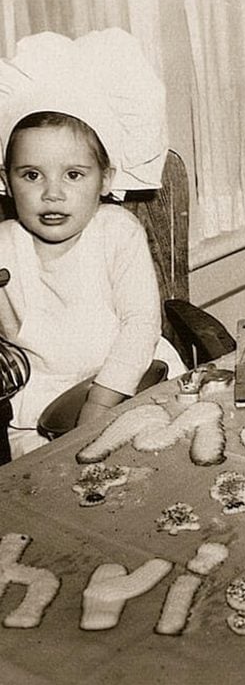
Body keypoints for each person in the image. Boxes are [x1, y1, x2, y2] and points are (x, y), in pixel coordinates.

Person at [0, 29, 185, 459]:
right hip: (40, 402)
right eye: (31, 175)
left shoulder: (117, 233)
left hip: (132, 380)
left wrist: (101, 400)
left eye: (73, 174)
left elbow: (141, 323)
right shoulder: (5, 244)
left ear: (106, 179)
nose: (52, 193)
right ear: (5, 182)